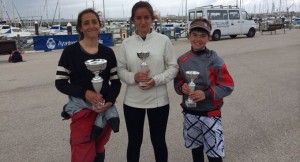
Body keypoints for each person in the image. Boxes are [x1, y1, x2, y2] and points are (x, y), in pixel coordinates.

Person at [55, 8, 121, 162]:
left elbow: (116, 81)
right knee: (82, 152)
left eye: (94, 22)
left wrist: (110, 101)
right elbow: (60, 82)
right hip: (82, 110)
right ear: (80, 27)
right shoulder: (70, 52)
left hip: (104, 110)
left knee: (99, 148)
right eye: (86, 23)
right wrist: (85, 93)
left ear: (99, 25)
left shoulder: (107, 53)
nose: (91, 26)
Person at [117, 1, 178, 162]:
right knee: (134, 143)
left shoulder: (164, 40)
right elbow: (120, 70)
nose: (142, 22)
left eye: (146, 17)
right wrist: (133, 77)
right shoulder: (126, 43)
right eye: (138, 18)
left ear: (152, 19)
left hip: (158, 101)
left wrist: (156, 80)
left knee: (158, 142)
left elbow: (173, 67)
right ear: (133, 20)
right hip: (132, 102)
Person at [174, 18, 234, 162]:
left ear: (209, 37)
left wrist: (206, 94)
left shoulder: (216, 60)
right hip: (190, 113)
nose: (198, 39)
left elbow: (228, 86)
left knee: (214, 154)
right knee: (196, 151)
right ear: (189, 36)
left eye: (202, 35)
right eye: (194, 34)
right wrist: (182, 87)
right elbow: (177, 82)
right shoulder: (182, 60)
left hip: (210, 114)